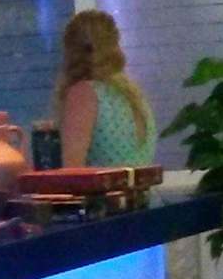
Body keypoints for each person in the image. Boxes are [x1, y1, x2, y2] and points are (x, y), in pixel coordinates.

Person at [54, 9, 158, 168]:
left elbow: (72, 170)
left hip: (100, 185)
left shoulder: (84, 93)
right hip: (138, 185)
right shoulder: (133, 96)